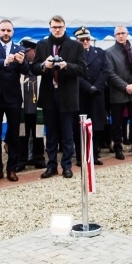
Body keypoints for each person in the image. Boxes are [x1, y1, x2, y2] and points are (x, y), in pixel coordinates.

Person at [32, 16, 86, 179]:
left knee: (67, 133)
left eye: (60, 27)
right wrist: (44, 65)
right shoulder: (42, 44)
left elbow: (82, 69)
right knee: (51, 133)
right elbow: (34, 68)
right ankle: (51, 166)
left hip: (67, 95)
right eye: (54, 27)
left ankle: (67, 166)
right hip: (49, 94)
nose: (57, 30)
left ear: (65, 27)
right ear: (49, 28)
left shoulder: (76, 45)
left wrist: (66, 66)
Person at [0, 20, 29, 182]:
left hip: (13, 97)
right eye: (3, 30)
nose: (6, 33)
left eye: (9, 30)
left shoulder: (20, 49)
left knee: (14, 134)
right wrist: (5, 61)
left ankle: (12, 169)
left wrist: (22, 62)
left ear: (13, 32)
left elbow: (27, 70)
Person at [105, 25, 132, 159]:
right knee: (117, 123)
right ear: (114, 36)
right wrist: (125, 86)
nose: (121, 36)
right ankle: (118, 147)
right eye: (118, 34)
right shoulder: (109, 52)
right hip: (118, 93)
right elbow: (110, 73)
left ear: (127, 34)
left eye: (123, 33)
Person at [75, 27, 110, 165]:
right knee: (81, 127)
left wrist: (96, 86)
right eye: (82, 39)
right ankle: (80, 157)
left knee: (95, 126)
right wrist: (88, 86)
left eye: (87, 39)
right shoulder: (74, 54)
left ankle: (94, 155)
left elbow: (105, 70)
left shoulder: (99, 52)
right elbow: (74, 74)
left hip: (96, 94)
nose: (85, 42)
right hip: (81, 95)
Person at [16, 38, 46, 172]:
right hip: (23, 107)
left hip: (37, 107)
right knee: (22, 135)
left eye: (27, 51)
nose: (24, 54)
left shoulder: (40, 67)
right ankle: (21, 160)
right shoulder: (20, 68)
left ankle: (39, 158)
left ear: (34, 51)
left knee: (38, 135)